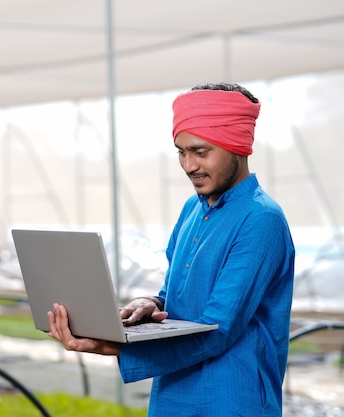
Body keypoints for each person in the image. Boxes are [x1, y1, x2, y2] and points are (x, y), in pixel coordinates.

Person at [47, 83, 295, 416]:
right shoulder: (191, 211)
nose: (189, 165)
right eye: (181, 151)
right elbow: (174, 294)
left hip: (232, 398)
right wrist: (150, 303)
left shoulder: (261, 219)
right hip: (172, 394)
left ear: (237, 145)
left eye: (200, 151)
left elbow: (218, 330)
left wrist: (111, 346)